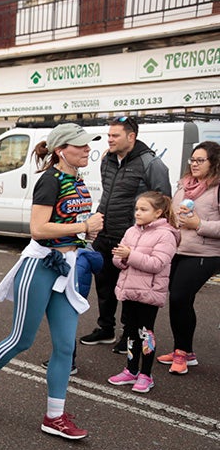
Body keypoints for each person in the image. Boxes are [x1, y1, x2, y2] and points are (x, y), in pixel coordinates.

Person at [0, 123, 105, 440]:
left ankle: (54, 416)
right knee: (22, 339)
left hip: (66, 267)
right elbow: (39, 229)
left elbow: (68, 222)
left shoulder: (77, 179)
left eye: (88, 145)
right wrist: (84, 225)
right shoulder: (49, 180)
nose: (87, 149)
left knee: (65, 346)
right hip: (40, 264)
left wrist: (87, 231)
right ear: (61, 151)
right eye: (81, 145)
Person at [81, 116, 172, 353]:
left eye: (115, 135)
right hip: (105, 233)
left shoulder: (151, 164)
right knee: (104, 286)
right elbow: (108, 194)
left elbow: (163, 201)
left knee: (130, 290)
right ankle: (106, 329)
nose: (109, 139)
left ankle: (128, 334)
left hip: (132, 238)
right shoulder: (108, 160)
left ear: (131, 137)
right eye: (109, 135)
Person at [157, 141, 220, 374]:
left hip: (205, 253)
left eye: (200, 160)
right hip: (178, 250)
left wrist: (199, 224)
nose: (194, 164)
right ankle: (183, 351)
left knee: (181, 297)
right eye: (192, 160)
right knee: (178, 299)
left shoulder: (217, 188)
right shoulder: (185, 186)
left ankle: (182, 354)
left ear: (214, 163)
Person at [106, 191, 179, 393]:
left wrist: (130, 255)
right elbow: (118, 259)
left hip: (149, 293)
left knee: (145, 333)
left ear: (158, 212)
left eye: (143, 209)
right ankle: (130, 370)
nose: (137, 213)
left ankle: (146, 374)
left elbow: (157, 263)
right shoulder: (131, 231)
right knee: (130, 331)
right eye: (136, 209)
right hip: (129, 290)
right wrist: (121, 258)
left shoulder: (166, 235)